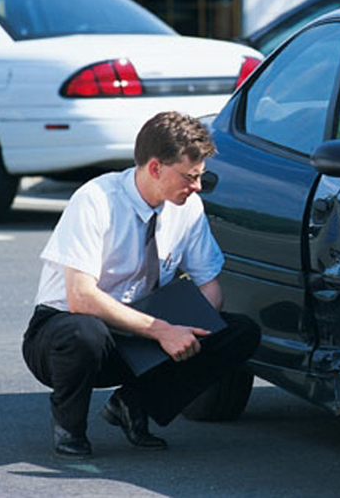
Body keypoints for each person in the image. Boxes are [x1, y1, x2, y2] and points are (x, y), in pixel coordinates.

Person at [22, 111, 261, 457]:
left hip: (143, 326)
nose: (196, 187)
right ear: (154, 168)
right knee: (84, 332)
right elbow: (80, 298)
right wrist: (163, 331)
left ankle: (134, 404)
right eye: (189, 177)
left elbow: (211, 290)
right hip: (67, 333)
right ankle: (69, 427)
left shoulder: (187, 206)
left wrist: (190, 332)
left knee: (239, 332)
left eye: (200, 177)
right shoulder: (95, 199)